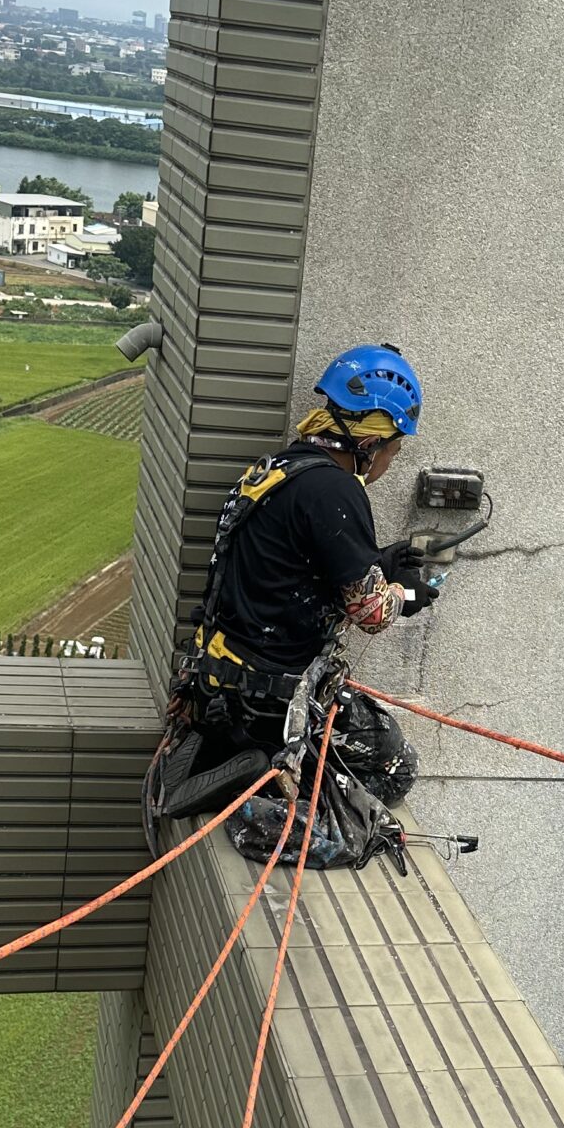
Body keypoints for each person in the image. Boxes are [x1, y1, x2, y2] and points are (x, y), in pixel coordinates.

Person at [144, 345, 437, 854]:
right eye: (392, 452)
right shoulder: (337, 492)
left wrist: (379, 561)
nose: (390, 463)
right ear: (369, 442)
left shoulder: (279, 468)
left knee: (342, 760)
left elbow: (291, 566)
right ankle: (251, 796)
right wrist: (406, 592)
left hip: (223, 683)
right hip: (271, 702)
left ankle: (226, 756)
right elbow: (371, 613)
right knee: (393, 765)